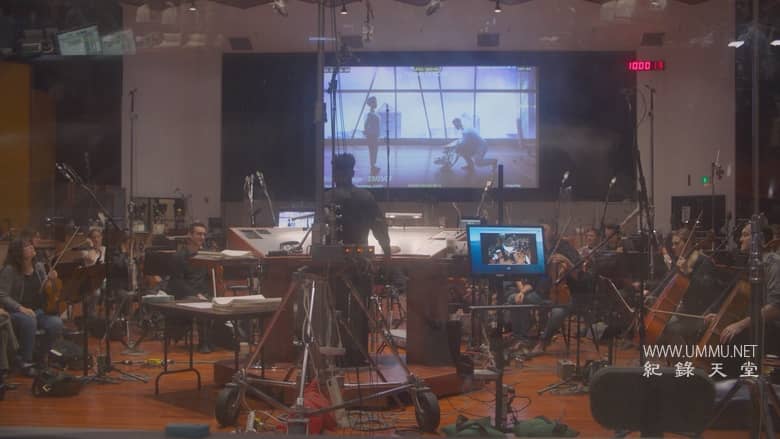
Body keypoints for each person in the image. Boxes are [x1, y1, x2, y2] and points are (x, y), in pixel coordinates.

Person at [324, 153, 391, 366]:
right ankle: (359, 356)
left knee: (334, 308)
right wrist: (387, 253)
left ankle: (335, 356)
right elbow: (380, 228)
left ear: (335, 173)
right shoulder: (366, 197)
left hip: (333, 262)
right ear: (352, 172)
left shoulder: (327, 198)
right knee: (360, 309)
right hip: (362, 260)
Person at [0, 238, 64, 376]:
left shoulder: (39, 267)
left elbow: (45, 289)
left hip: (38, 311)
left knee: (56, 323)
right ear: (18, 252)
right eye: (27, 246)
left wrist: (51, 280)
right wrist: (20, 308)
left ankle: (40, 357)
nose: (31, 247)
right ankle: (25, 362)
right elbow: (2, 295)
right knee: (29, 321)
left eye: (30, 245)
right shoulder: (10, 270)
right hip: (15, 312)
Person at [167, 222, 214, 353]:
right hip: (185, 293)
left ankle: (213, 340)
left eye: (204, 234)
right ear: (190, 235)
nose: (202, 237)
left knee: (219, 303)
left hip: (202, 292)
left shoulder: (205, 255)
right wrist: (197, 294)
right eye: (199, 234)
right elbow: (177, 282)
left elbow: (207, 278)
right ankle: (204, 343)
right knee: (202, 305)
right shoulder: (179, 256)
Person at [363, 96, 381, 176]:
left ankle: (373, 166)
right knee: (373, 151)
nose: (376, 103)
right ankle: (373, 166)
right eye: (374, 102)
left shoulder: (373, 113)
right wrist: (368, 132)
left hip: (374, 135)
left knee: (374, 151)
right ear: (372, 103)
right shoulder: (370, 114)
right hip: (372, 136)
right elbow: (366, 124)